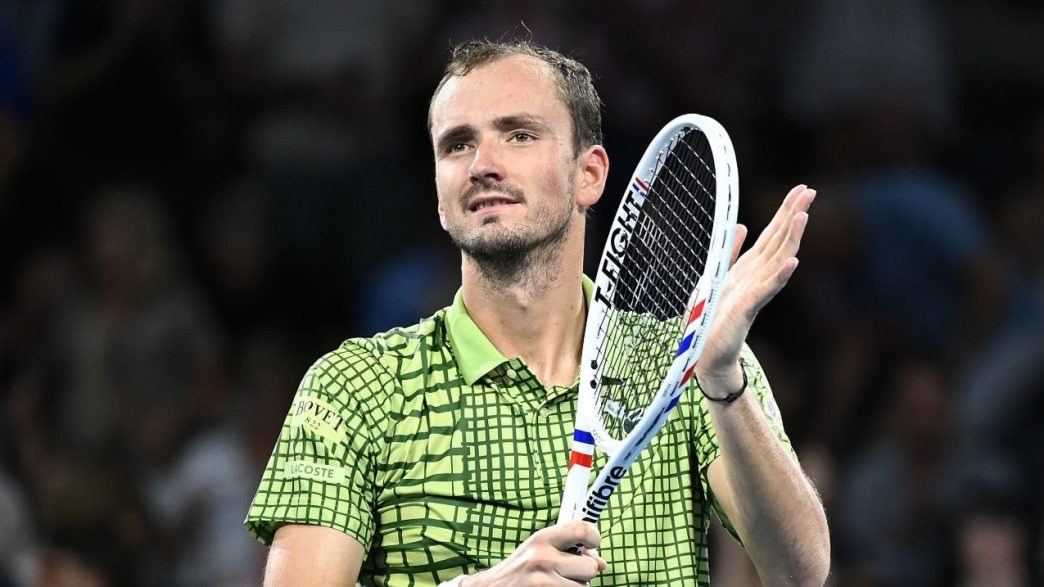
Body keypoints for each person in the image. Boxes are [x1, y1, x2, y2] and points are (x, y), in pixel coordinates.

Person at [245, 39, 830, 586]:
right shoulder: (356, 387)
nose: (482, 164)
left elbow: (800, 571)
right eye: (457, 144)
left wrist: (722, 378)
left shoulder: (686, 363)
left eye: (519, 135)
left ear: (588, 175)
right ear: (439, 192)